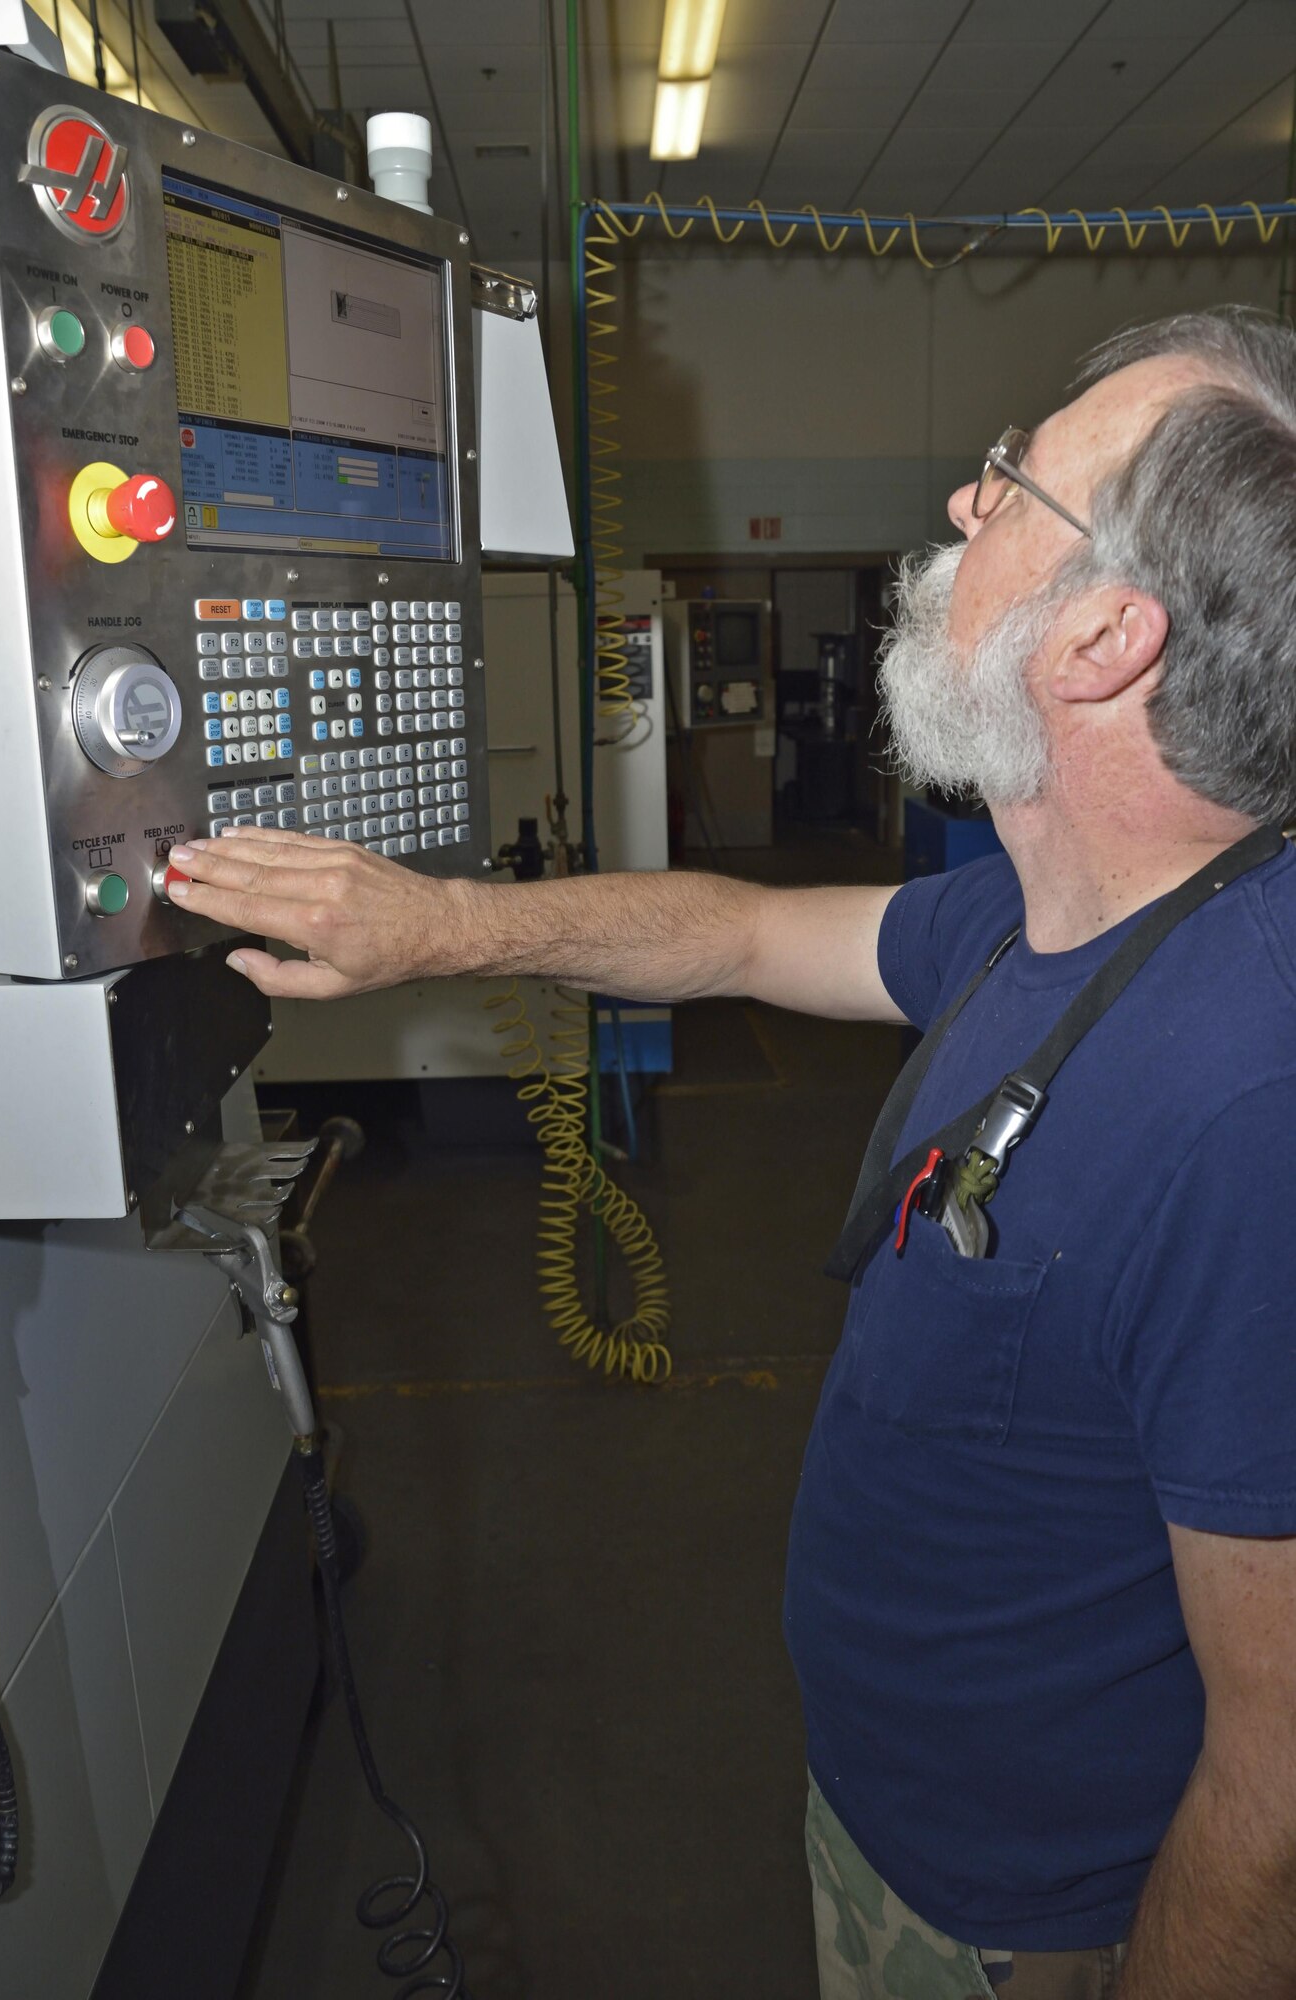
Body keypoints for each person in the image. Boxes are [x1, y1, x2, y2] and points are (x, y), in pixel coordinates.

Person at [165, 306, 1296, 2000]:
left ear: (1104, 643)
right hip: (897, 1812)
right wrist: (443, 926)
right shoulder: (1051, 913)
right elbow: (747, 939)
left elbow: (1279, 1794)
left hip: (1025, 1916)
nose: (967, 504)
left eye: (1014, 487)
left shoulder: (1246, 1101)